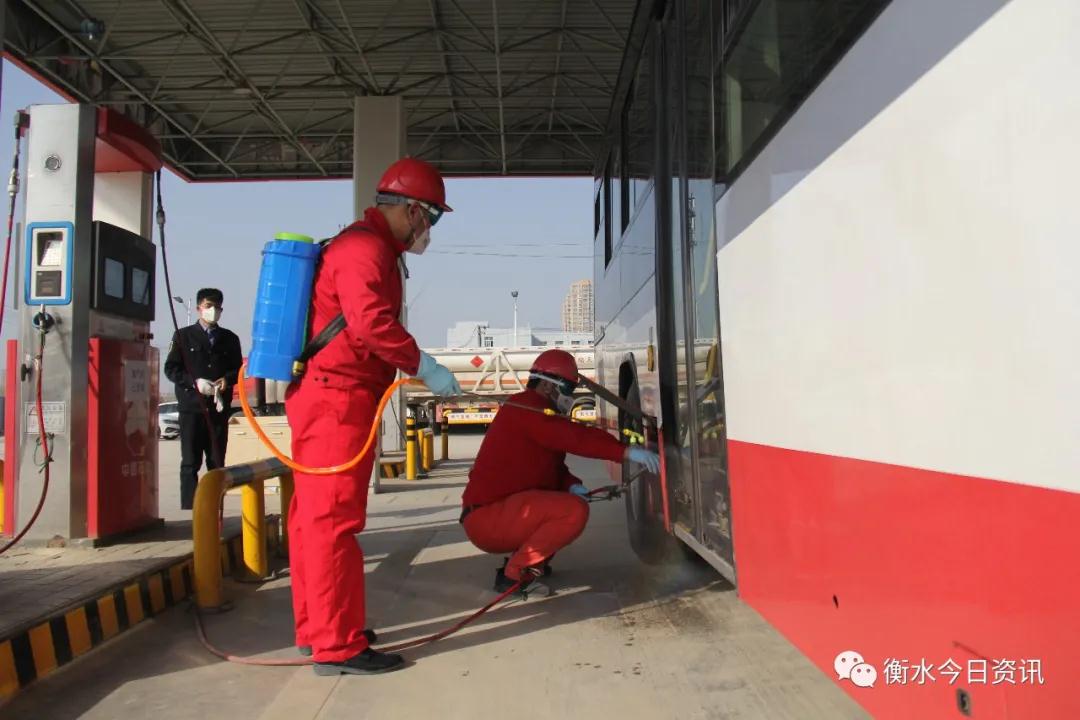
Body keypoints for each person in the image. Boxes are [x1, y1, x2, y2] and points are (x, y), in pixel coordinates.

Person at [285, 157, 462, 677]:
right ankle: (336, 646)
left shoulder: (363, 246)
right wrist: (424, 365)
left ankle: (318, 629)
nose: (429, 230)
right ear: (413, 209)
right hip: (336, 400)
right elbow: (370, 324)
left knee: (312, 521)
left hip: (331, 396)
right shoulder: (364, 249)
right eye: (432, 217)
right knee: (333, 523)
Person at [460, 349, 661, 597]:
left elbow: (552, 467)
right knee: (572, 512)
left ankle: (529, 563)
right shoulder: (529, 408)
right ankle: (514, 576)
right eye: (567, 389)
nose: (569, 396)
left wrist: (571, 485)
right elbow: (575, 437)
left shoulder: (531, 409)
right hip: (488, 519)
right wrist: (625, 452)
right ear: (547, 385)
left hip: (495, 514)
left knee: (566, 503)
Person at [164, 288, 243, 511]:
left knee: (216, 462)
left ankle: (215, 508)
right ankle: (192, 511)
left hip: (217, 409)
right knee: (190, 462)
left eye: (217, 307)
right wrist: (194, 382)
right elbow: (171, 369)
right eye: (209, 306)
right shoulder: (183, 336)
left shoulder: (230, 339)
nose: (213, 311)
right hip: (192, 407)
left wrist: (227, 380)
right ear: (199, 307)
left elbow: (238, 369)